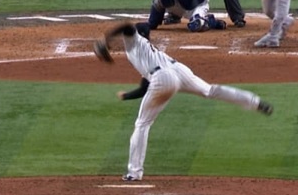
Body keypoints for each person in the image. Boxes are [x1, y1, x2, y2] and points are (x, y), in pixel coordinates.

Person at [92, 21, 273, 182]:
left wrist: (105, 39)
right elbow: (143, 88)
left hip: (163, 77)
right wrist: (126, 96)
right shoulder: (151, 52)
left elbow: (127, 26)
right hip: (178, 70)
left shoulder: (134, 42)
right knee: (210, 90)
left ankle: (134, 172)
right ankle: (255, 102)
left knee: (142, 124)